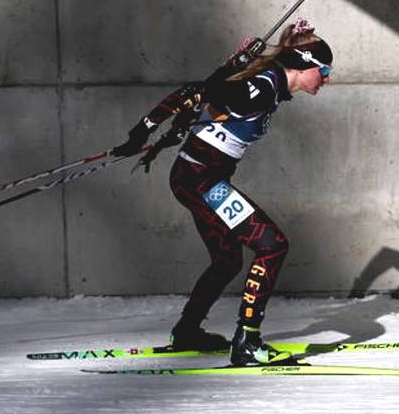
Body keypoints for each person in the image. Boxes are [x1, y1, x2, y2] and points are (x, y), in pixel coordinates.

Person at [111, 20, 333, 365]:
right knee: (272, 246)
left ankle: (187, 332)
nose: (327, 78)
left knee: (228, 260)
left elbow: (210, 98)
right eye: (325, 70)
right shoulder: (262, 86)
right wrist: (141, 133)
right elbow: (194, 92)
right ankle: (247, 343)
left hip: (197, 178)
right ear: (305, 64)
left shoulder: (271, 85)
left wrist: (229, 70)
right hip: (201, 180)